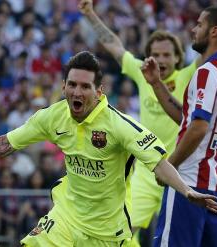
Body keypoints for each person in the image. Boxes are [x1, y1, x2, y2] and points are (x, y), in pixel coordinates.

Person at [0, 51, 217, 246]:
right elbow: (4, 144)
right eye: (72, 84)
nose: (77, 91)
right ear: (63, 86)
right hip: (66, 216)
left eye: (85, 86)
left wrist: (186, 191)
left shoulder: (120, 125)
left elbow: (159, 162)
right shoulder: (53, 116)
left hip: (106, 230)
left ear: (98, 91)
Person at [78, 0, 199, 242]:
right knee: (122, 230)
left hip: (181, 171)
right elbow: (114, 44)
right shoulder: (144, 74)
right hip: (147, 170)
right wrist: (91, 15)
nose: (161, 59)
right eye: (155, 54)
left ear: (178, 58)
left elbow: (212, 51)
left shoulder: (190, 75)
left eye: (167, 54)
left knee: (182, 239)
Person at [141, 5, 217, 247]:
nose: (194, 29)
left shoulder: (206, 72)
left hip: (188, 184)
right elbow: (188, 120)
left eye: (200, 24)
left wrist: (169, 167)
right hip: (215, 186)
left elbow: (197, 128)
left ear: (214, 31)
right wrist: (156, 84)